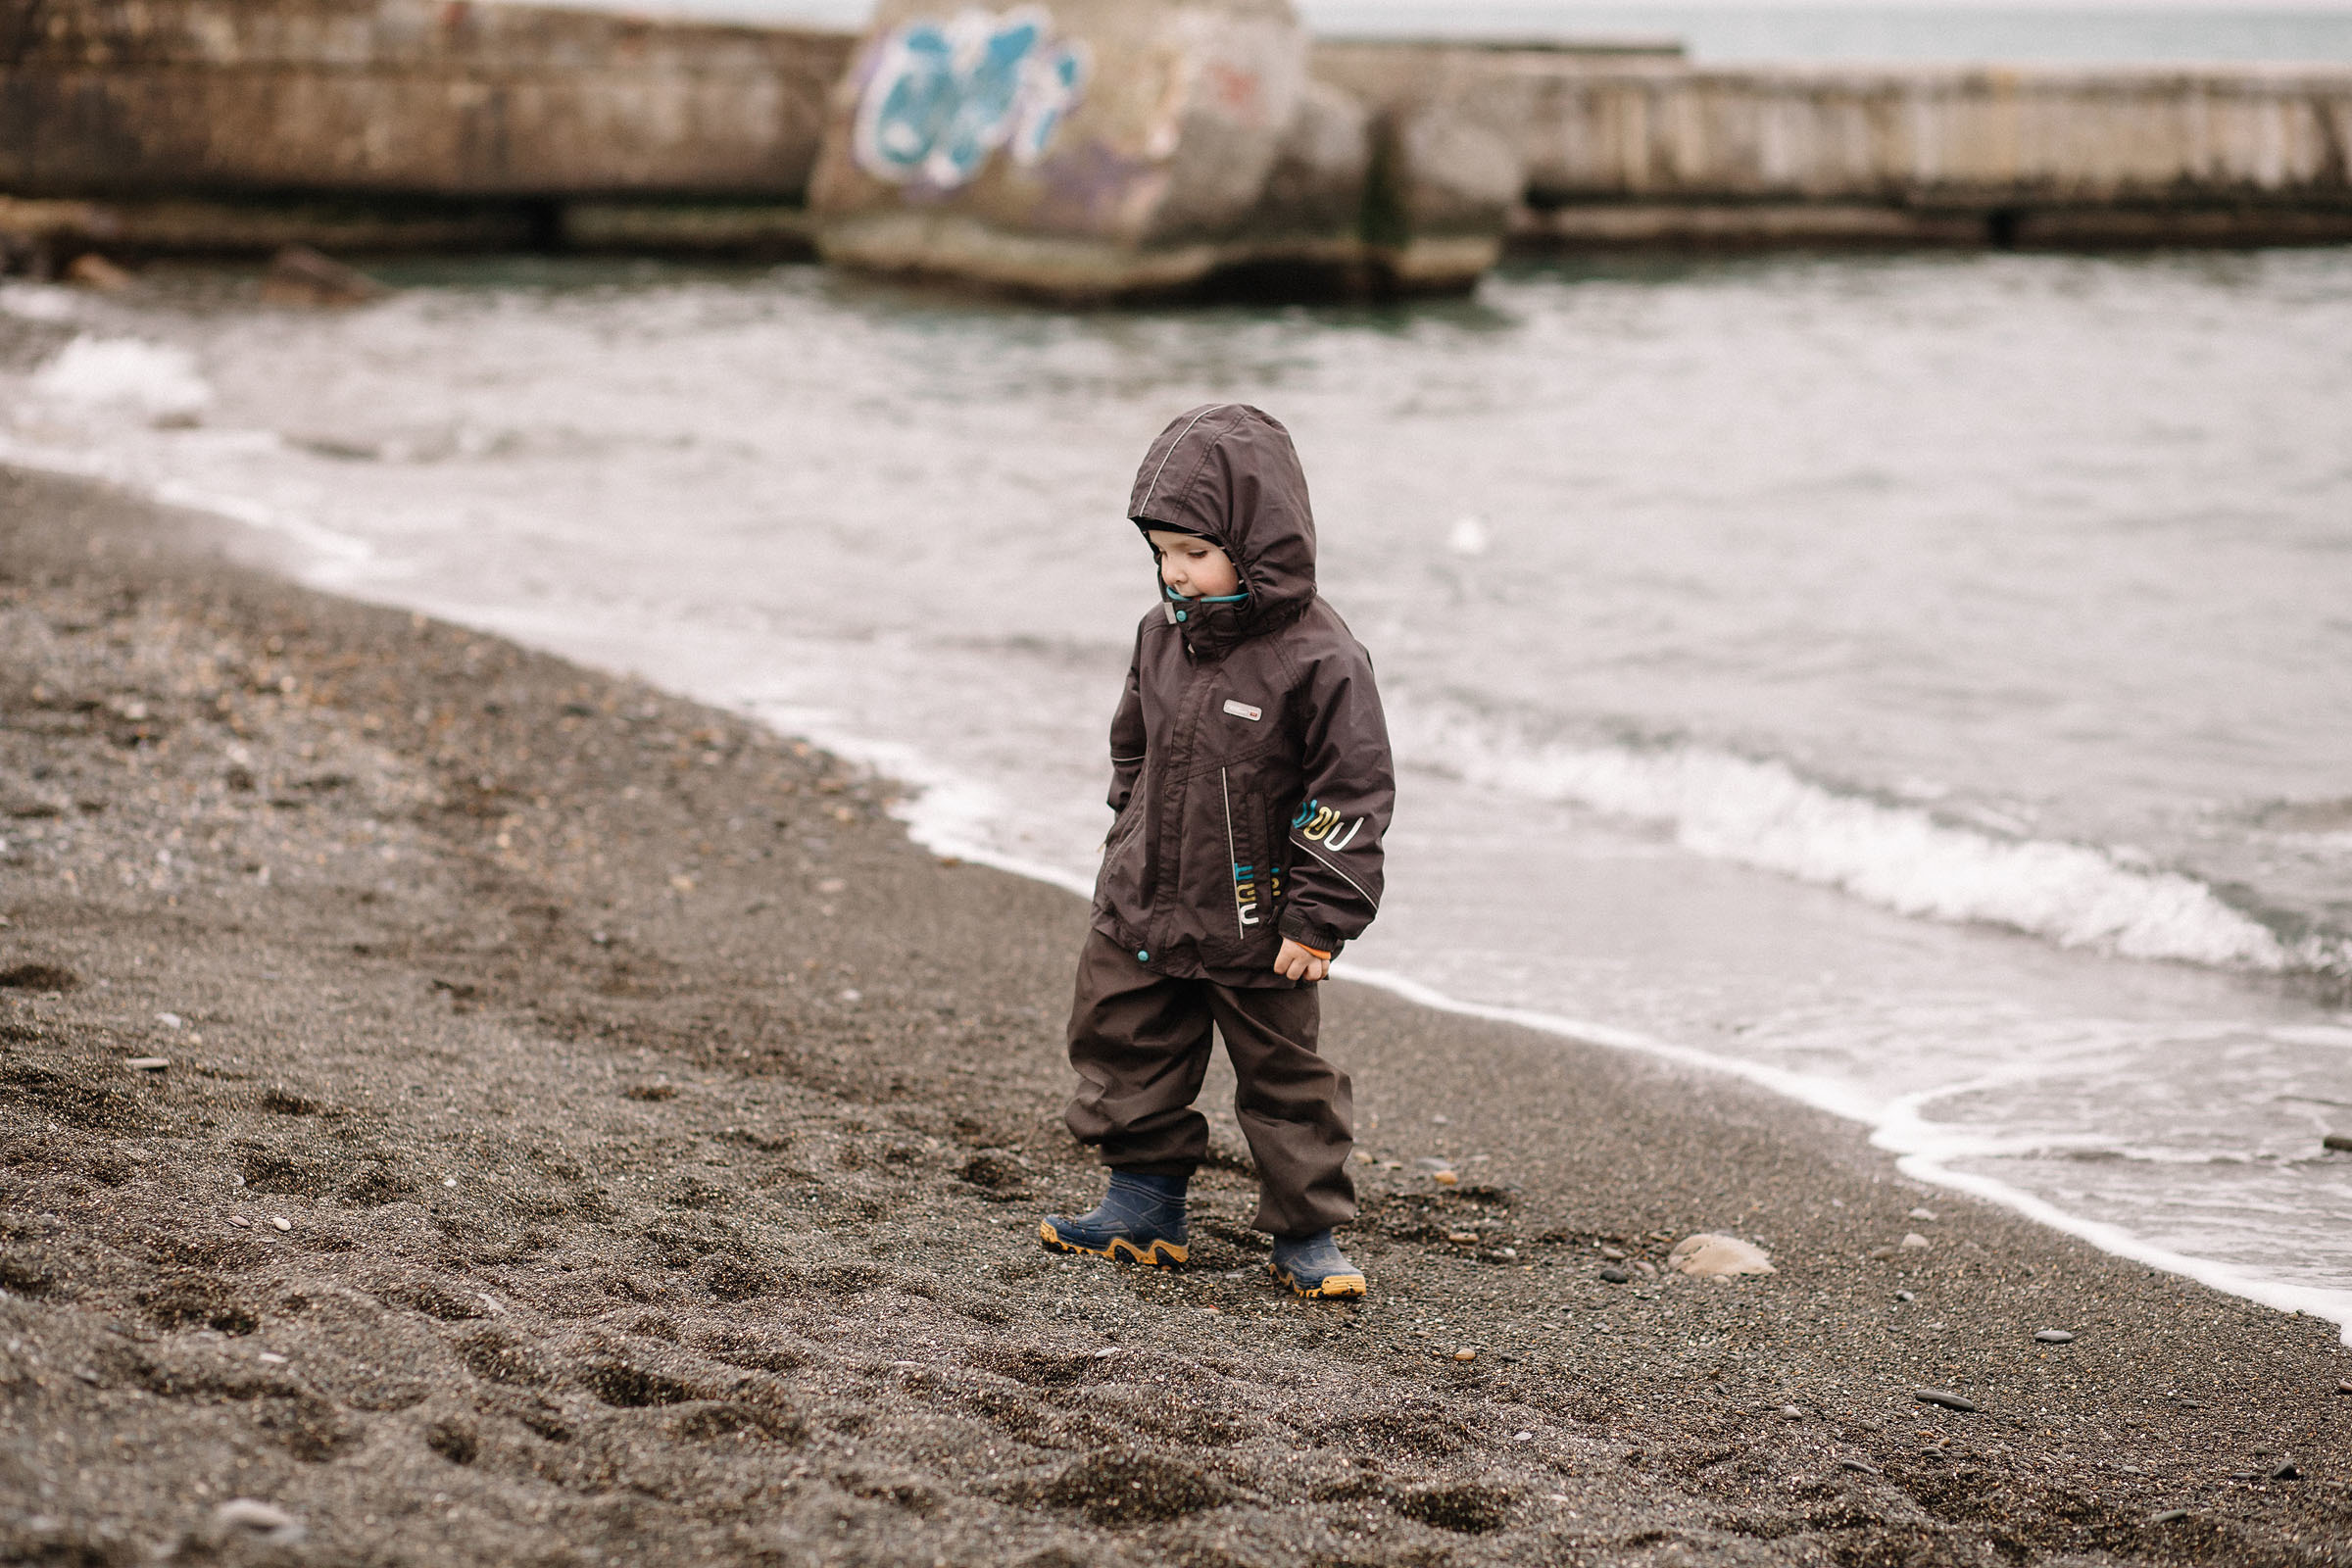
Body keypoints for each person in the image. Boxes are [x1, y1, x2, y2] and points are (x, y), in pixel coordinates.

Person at [1040, 404, 1395, 1299]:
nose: (1175, 571)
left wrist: (1319, 917)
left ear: (1258, 542)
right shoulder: (1160, 634)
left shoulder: (1322, 660)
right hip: (1144, 898)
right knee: (1122, 1038)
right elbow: (1133, 747)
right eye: (1162, 551)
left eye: (1196, 552)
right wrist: (1126, 831)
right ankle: (1143, 1202)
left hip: (1259, 919)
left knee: (1287, 1078)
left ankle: (1307, 1232)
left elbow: (1350, 794)